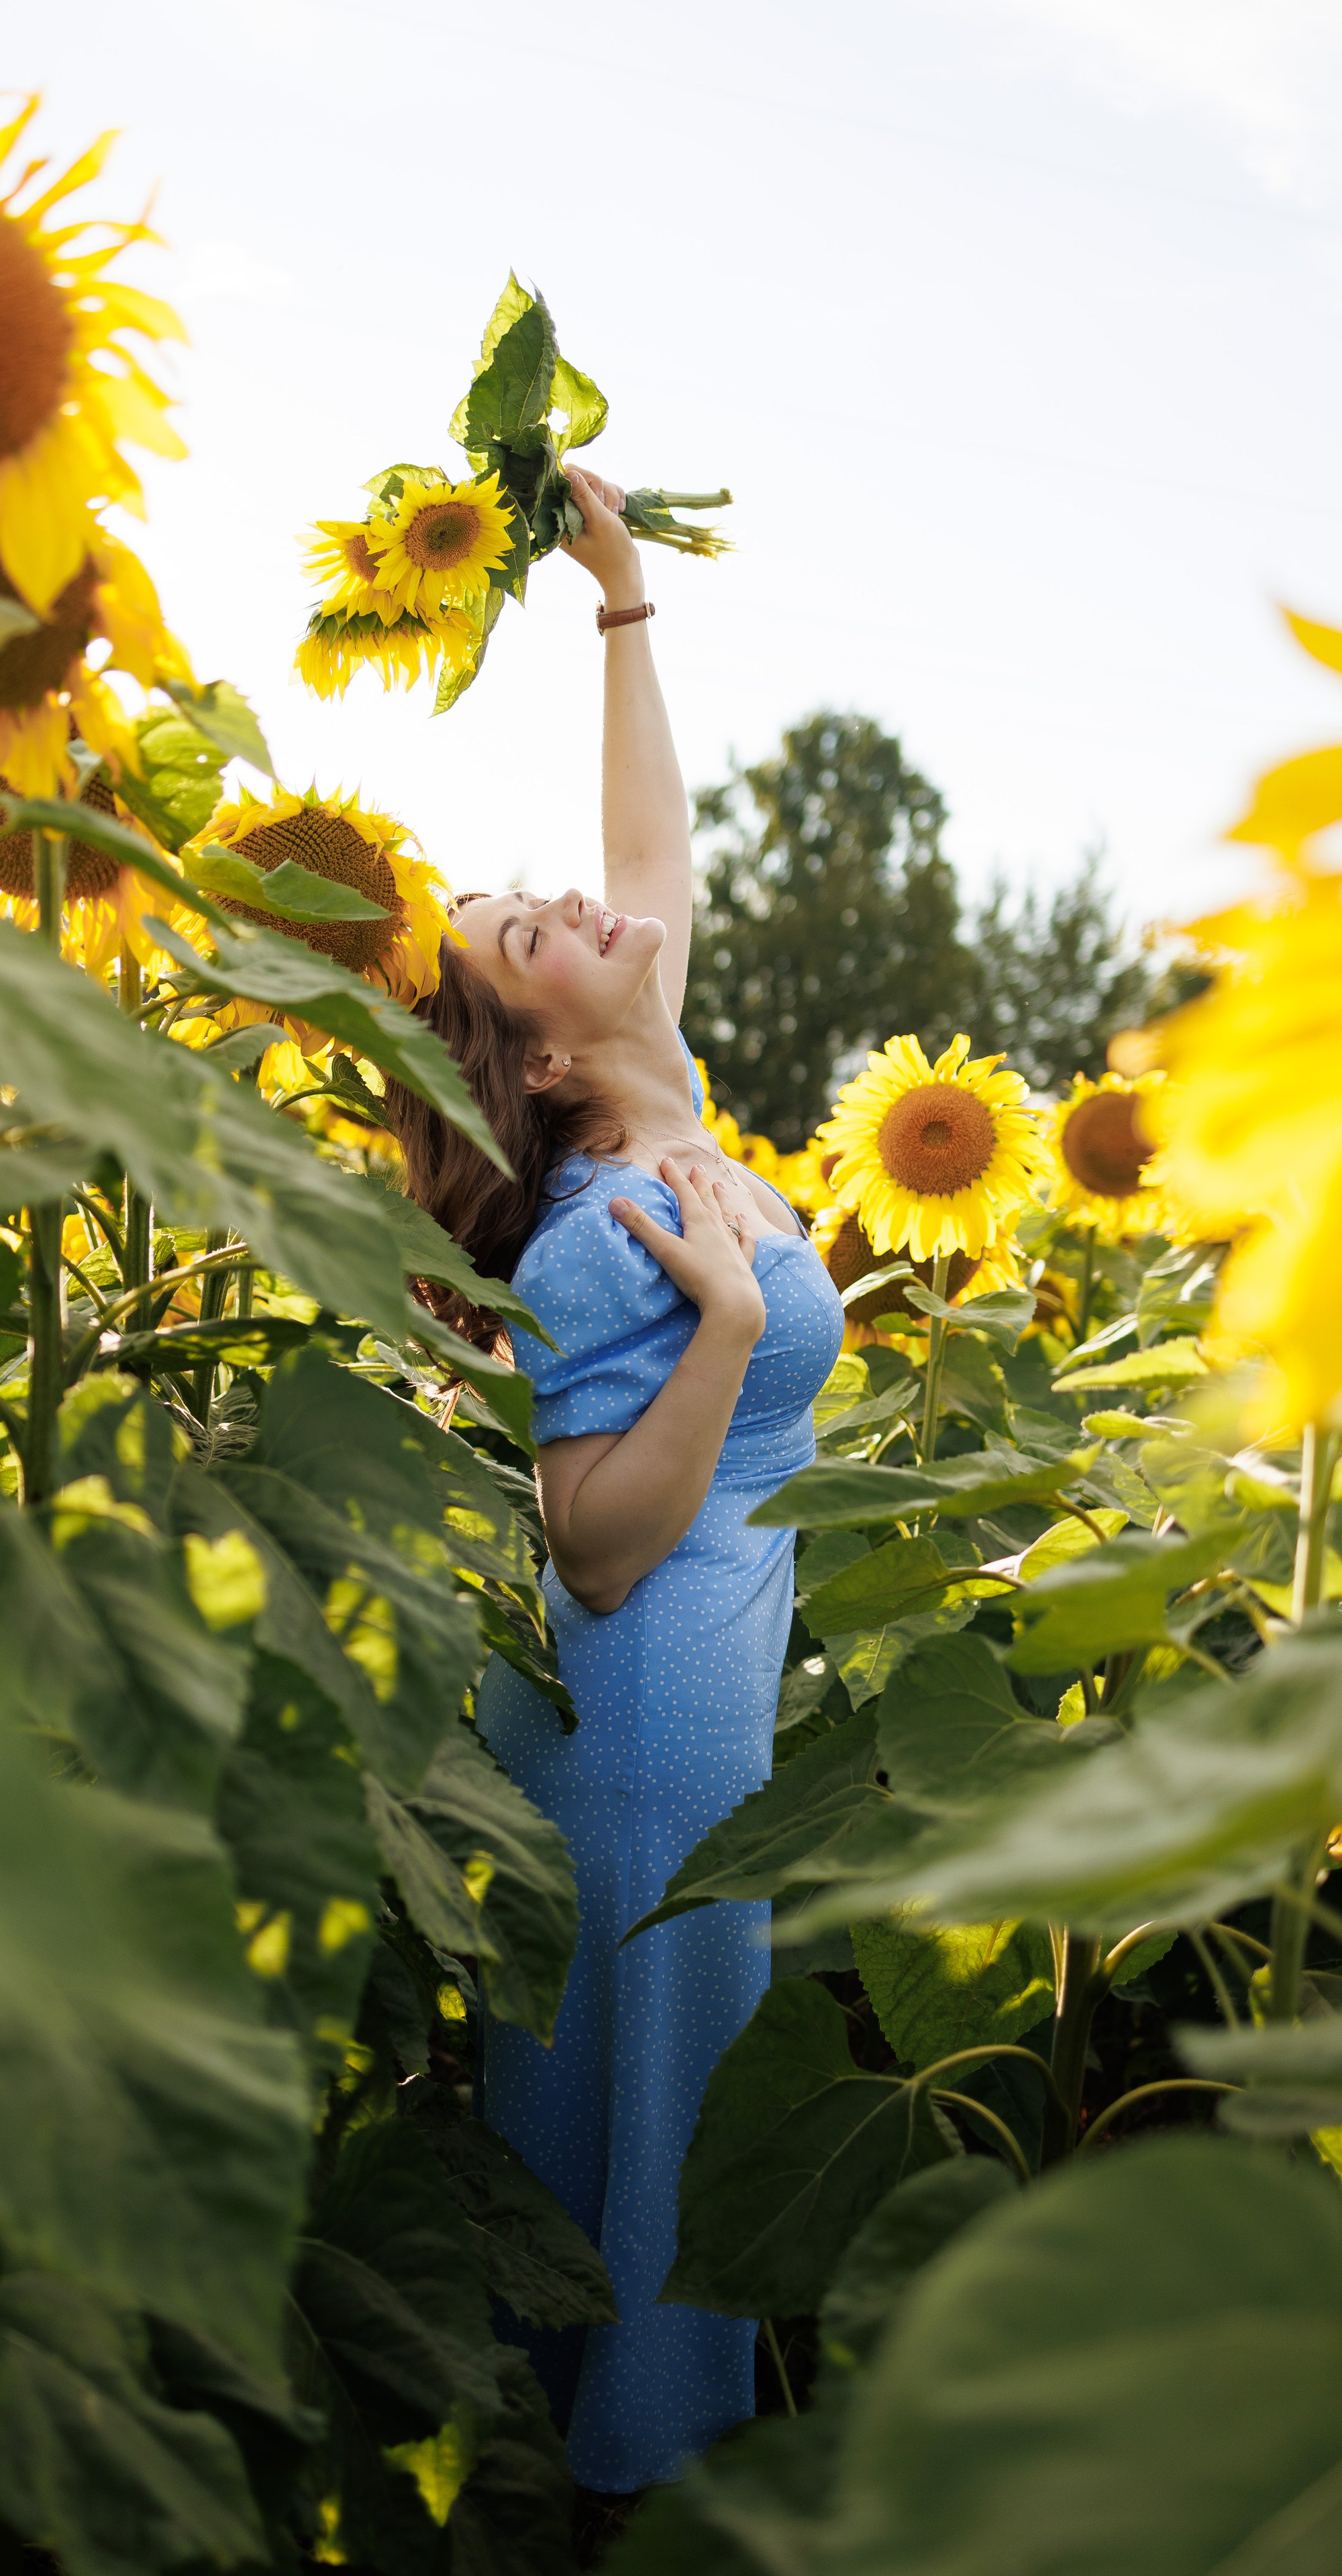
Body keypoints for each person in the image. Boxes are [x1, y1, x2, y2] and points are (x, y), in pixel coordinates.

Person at [385, 465, 845, 2500]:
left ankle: (606, 2490)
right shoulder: (600, 1226)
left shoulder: (678, 1120)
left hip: (700, 1726)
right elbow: (581, 1549)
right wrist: (732, 1332)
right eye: (523, 929)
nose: (569, 896)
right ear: (545, 1062)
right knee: (656, 2155)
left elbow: (649, 854)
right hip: (648, 1728)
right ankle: (632, 2508)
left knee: (665, 2137)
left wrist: (624, 603)